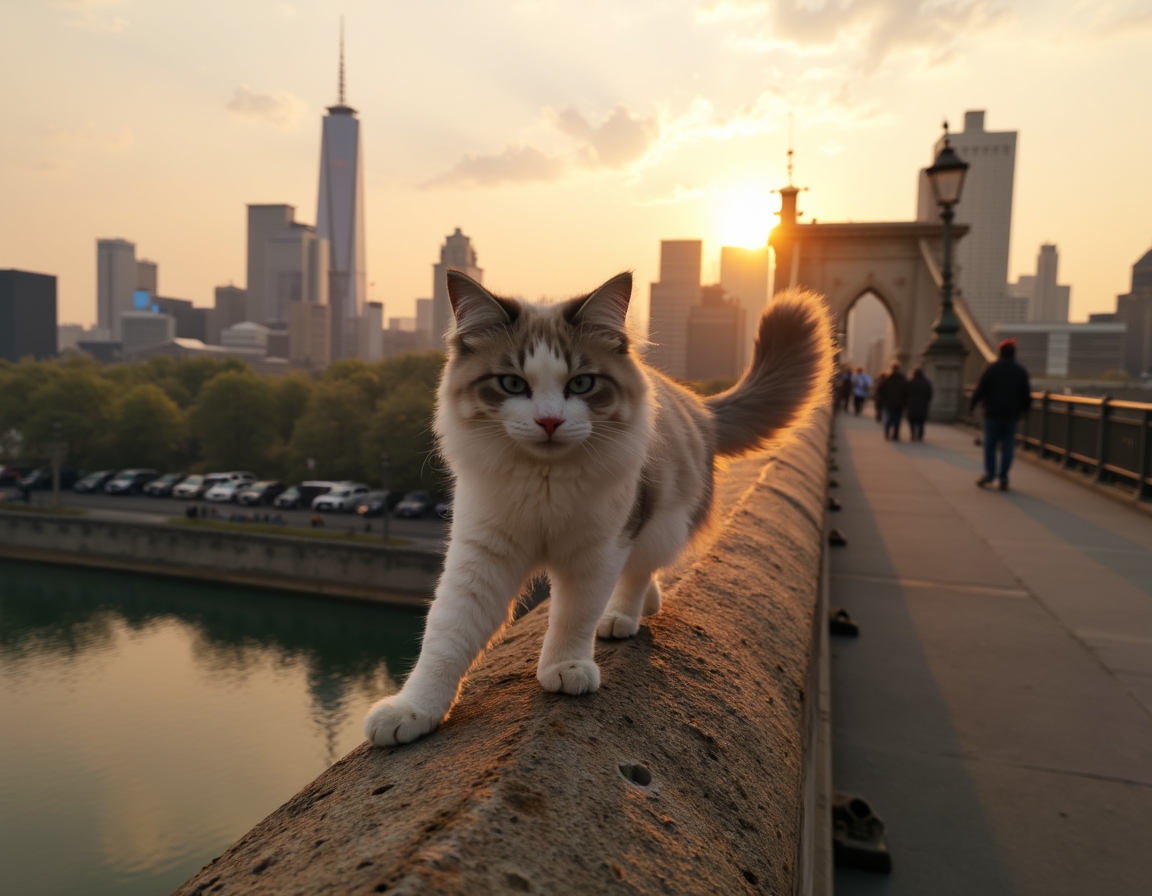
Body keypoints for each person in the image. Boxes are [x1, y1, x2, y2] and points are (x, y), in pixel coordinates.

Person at [970, 338, 1032, 490]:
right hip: (1011, 415)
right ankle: (1004, 477)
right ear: (1014, 353)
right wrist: (1025, 410)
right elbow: (1026, 395)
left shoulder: (992, 369)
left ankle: (990, 474)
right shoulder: (1021, 371)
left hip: (993, 413)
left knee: (990, 445)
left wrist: (972, 406)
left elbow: (980, 389)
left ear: (1000, 352)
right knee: (1007, 446)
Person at [876, 361, 908, 440]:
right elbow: (907, 392)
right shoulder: (903, 379)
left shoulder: (887, 379)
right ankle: (895, 435)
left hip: (888, 402)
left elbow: (880, 391)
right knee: (897, 419)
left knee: (889, 418)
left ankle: (887, 431)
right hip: (900, 403)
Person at [905, 367, 933, 441]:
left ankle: (913, 433)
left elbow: (905, 394)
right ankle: (920, 434)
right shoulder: (927, 383)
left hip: (912, 404)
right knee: (921, 421)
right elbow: (929, 395)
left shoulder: (910, 382)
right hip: (923, 405)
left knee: (912, 420)